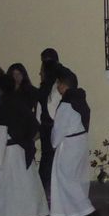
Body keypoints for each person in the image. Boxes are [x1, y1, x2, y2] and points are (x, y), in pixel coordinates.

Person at [0, 76, 49, 216]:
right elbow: (33, 126)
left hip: (8, 152)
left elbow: (1, 135)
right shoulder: (19, 103)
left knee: (4, 188)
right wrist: (26, 141)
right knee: (25, 185)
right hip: (22, 150)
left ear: (0, 89)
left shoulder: (3, 107)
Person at [50, 67, 99, 216]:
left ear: (64, 85)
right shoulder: (79, 99)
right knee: (75, 178)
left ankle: (88, 212)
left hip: (69, 144)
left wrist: (54, 143)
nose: (57, 86)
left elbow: (59, 129)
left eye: (58, 83)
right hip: (79, 141)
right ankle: (71, 215)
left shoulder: (66, 104)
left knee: (67, 179)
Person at [36, 58, 62, 190]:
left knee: (48, 157)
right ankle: (47, 187)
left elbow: (49, 110)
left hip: (49, 127)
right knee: (49, 157)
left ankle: (45, 187)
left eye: (42, 70)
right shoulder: (50, 88)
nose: (40, 73)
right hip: (50, 127)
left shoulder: (53, 88)